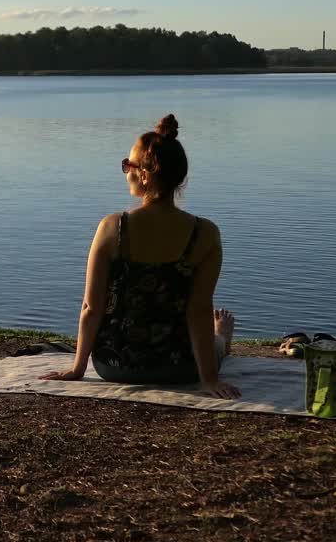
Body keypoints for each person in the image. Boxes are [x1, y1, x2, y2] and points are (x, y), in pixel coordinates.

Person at [40, 114, 241, 399]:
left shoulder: (112, 228)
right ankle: (222, 337)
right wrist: (208, 380)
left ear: (144, 174)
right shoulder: (205, 234)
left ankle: (221, 337)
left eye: (127, 165)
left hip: (114, 364)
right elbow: (197, 312)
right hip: (181, 367)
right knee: (215, 339)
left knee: (211, 335)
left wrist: (78, 367)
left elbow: (90, 308)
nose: (125, 172)